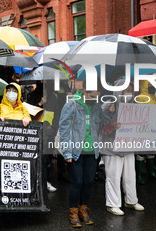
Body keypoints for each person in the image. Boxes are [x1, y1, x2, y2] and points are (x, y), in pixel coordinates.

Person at [59, 79, 101, 228]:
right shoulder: (72, 104)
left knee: (89, 182)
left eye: (97, 95)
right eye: (93, 95)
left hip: (92, 151)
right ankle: (73, 212)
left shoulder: (96, 106)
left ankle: (83, 210)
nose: (95, 98)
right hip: (76, 150)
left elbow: (98, 127)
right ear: (85, 91)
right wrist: (67, 152)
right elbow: (64, 130)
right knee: (77, 182)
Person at [100, 80, 144, 216]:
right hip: (111, 148)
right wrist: (112, 123)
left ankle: (131, 200)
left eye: (130, 90)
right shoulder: (108, 105)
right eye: (126, 90)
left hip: (128, 146)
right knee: (113, 175)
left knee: (130, 175)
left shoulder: (133, 105)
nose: (129, 93)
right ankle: (112, 204)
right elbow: (101, 126)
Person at [134, 80, 156, 184]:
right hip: (144, 129)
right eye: (151, 84)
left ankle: (151, 173)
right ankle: (138, 176)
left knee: (151, 152)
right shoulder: (141, 97)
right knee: (141, 153)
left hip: (154, 129)